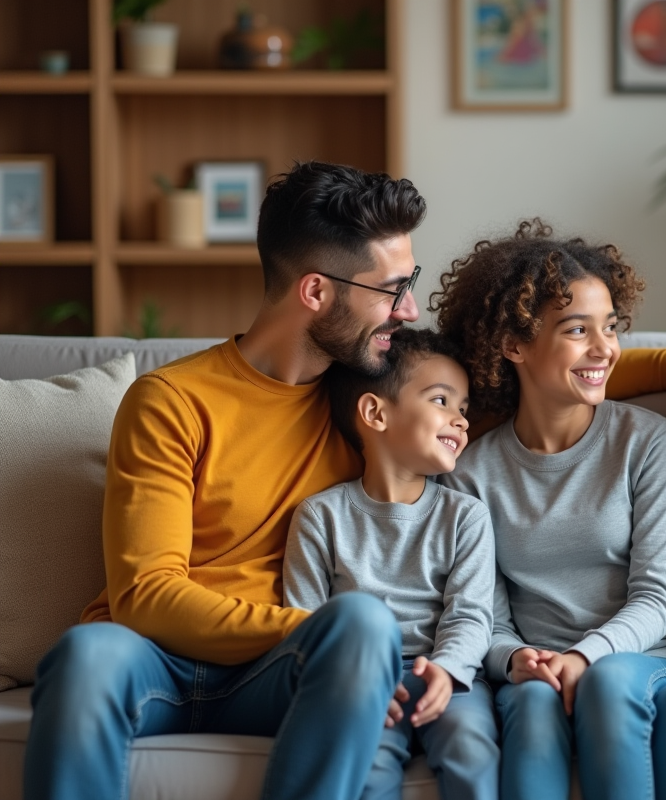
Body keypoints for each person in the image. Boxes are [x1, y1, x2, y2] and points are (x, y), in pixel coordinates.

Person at [24, 161, 427, 800]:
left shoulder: (379, 402)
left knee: (364, 625)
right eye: (393, 288)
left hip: (277, 673)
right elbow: (146, 596)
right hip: (155, 661)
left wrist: (629, 359)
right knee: (85, 655)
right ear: (316, 292)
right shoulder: (172, 399)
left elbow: (535, 383)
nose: (408, 308)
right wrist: (301, 627)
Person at [434, 219, 666, 800]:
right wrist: (516, 659)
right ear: (514, 345)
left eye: (611, 328)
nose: (604, 349)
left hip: (647, 656)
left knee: (620, 684)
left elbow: (659, 595)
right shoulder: (470, 472)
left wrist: (586, 657)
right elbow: (483, 616)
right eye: (576, 330)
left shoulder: (647, 442)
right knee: (534, 704)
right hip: (537, 670)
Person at [283, 328, 500, 800]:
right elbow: (304, 622)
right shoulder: (320, 516)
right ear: (375, 413)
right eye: (442, 401)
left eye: (464, 409)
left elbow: (470, 613)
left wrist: (448, 669)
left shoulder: (466, 516)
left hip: (449, 674)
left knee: (471, 749)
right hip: (361, 678)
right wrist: (350, 683)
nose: (461, 422)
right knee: (372, 765)